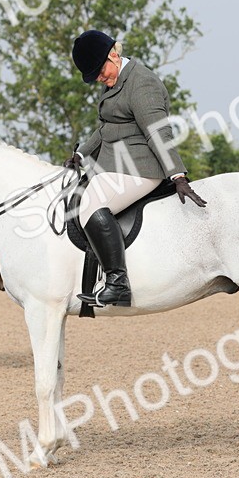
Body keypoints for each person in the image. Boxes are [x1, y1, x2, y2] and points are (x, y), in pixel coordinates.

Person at [65, 29, 206, 307]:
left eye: (99, 71)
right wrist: (81, 154)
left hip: (140, 167)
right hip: (114, 165)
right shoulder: (115, 80)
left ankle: (118, 283)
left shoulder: (141, 83)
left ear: (114, 55)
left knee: (91, 205)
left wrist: (178, 174)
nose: (98, 78)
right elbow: (105, 127)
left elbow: (157, 132)